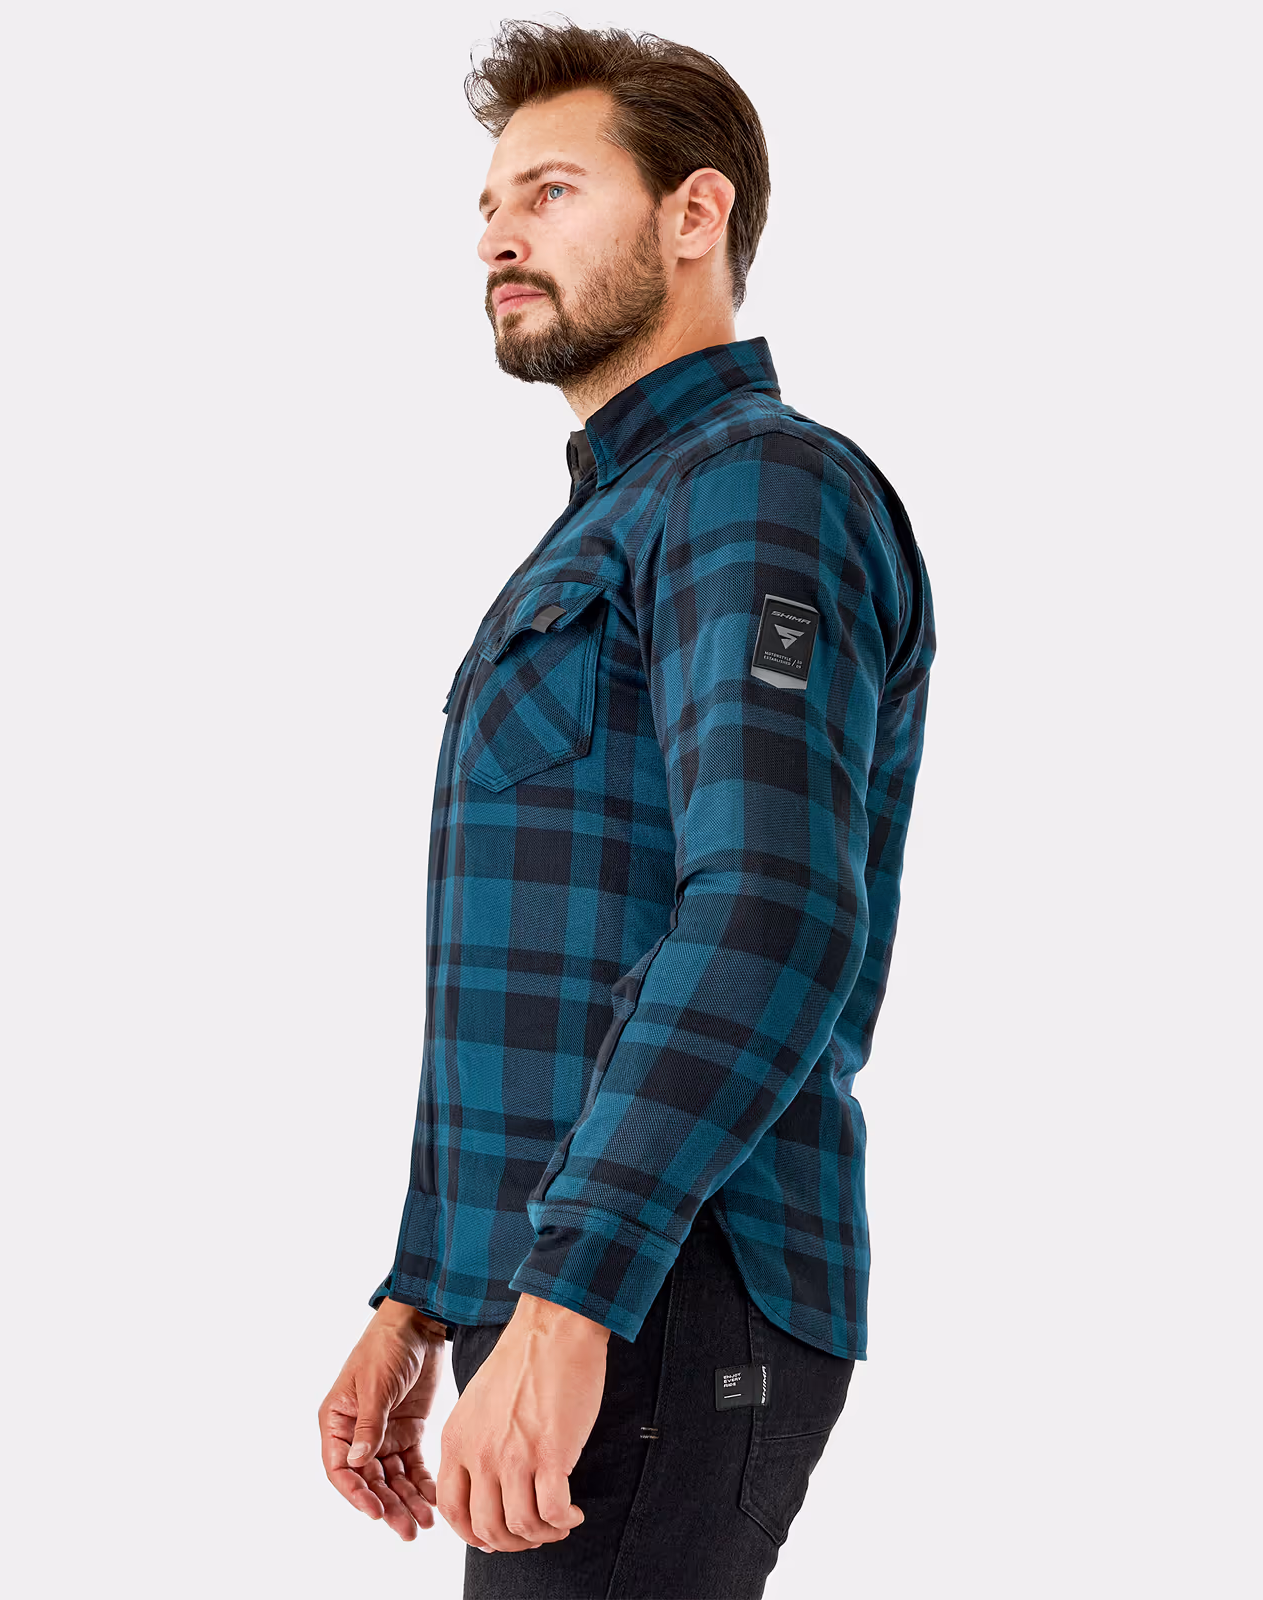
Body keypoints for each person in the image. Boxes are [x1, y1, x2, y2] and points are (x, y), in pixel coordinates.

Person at [318, 20, 936, 1597]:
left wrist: (575, 1293)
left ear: (694, 214)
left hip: (665, 1285)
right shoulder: (620, 519)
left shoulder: (758, 489)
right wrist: (423, 1289)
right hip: (571, 1284)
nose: (498, 236)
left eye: (551, 190)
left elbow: (773, 913)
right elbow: (543, 958)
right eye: (486, 206)